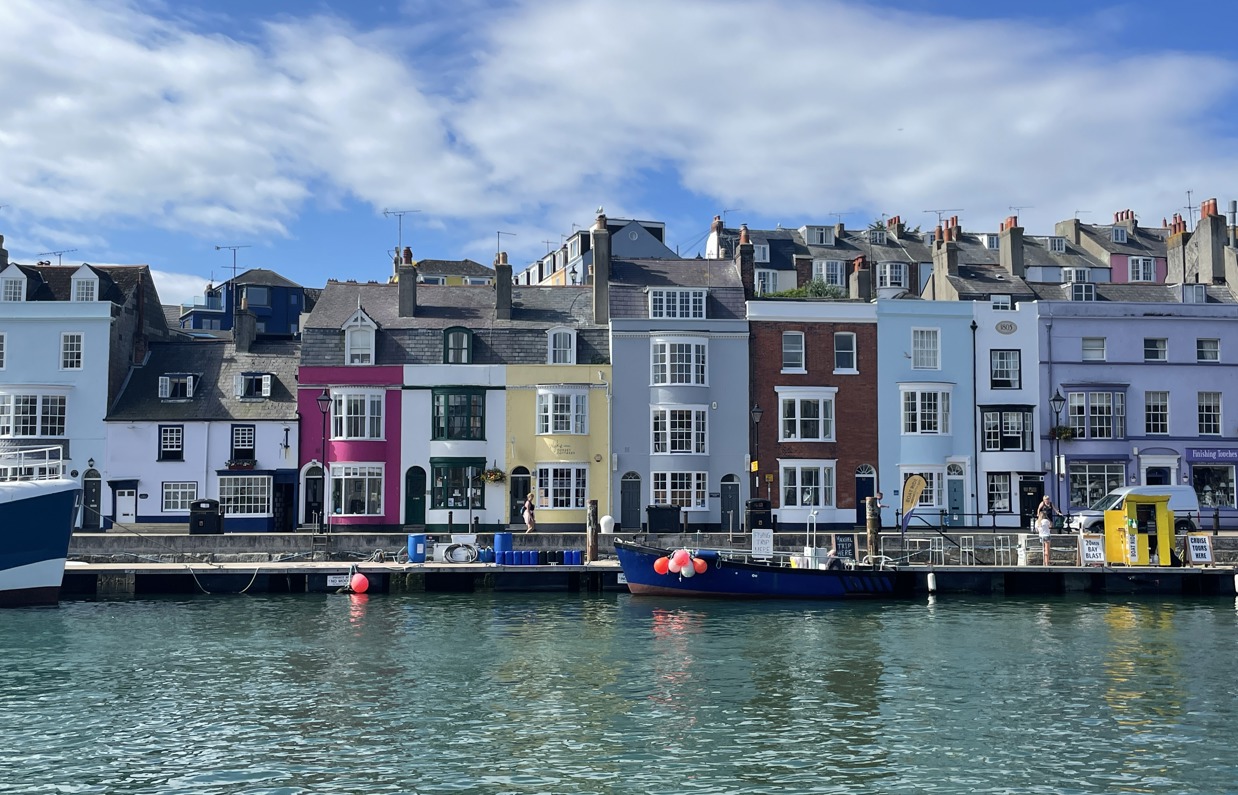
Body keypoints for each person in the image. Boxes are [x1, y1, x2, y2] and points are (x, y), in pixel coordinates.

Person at [1036, 495, 1061, 565]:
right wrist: (1038, 514)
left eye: (1048, 499)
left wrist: (1058, 513)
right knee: (1046, 549)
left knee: (1049, 527)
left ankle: (1046, 562)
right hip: (1044, 517)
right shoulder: (1042, 503)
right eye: (1046, 499)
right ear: (1044, 499)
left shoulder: (1050, 503)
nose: (1047, 500)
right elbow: (1038, 509)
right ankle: (1046, 562)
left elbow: (1055, 509)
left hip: (1049, 517)